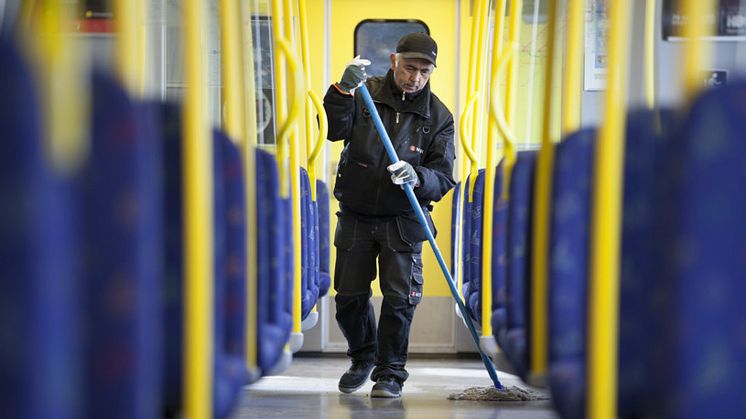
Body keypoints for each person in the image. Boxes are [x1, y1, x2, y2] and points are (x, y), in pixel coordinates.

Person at [323, 32, 455, 398]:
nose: (415, 77)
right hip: (356, 213)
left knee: (400, 299)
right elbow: (336, 130)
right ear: (395, 61)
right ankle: (363, 356)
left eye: (424, 71)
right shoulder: (366, 94)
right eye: (410, 67)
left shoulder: (439, 118)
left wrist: (418, 176)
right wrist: (342, 92)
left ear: (432, 72)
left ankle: (391, 373)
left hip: (403, 219)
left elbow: (443, 178)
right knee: (349, 296)